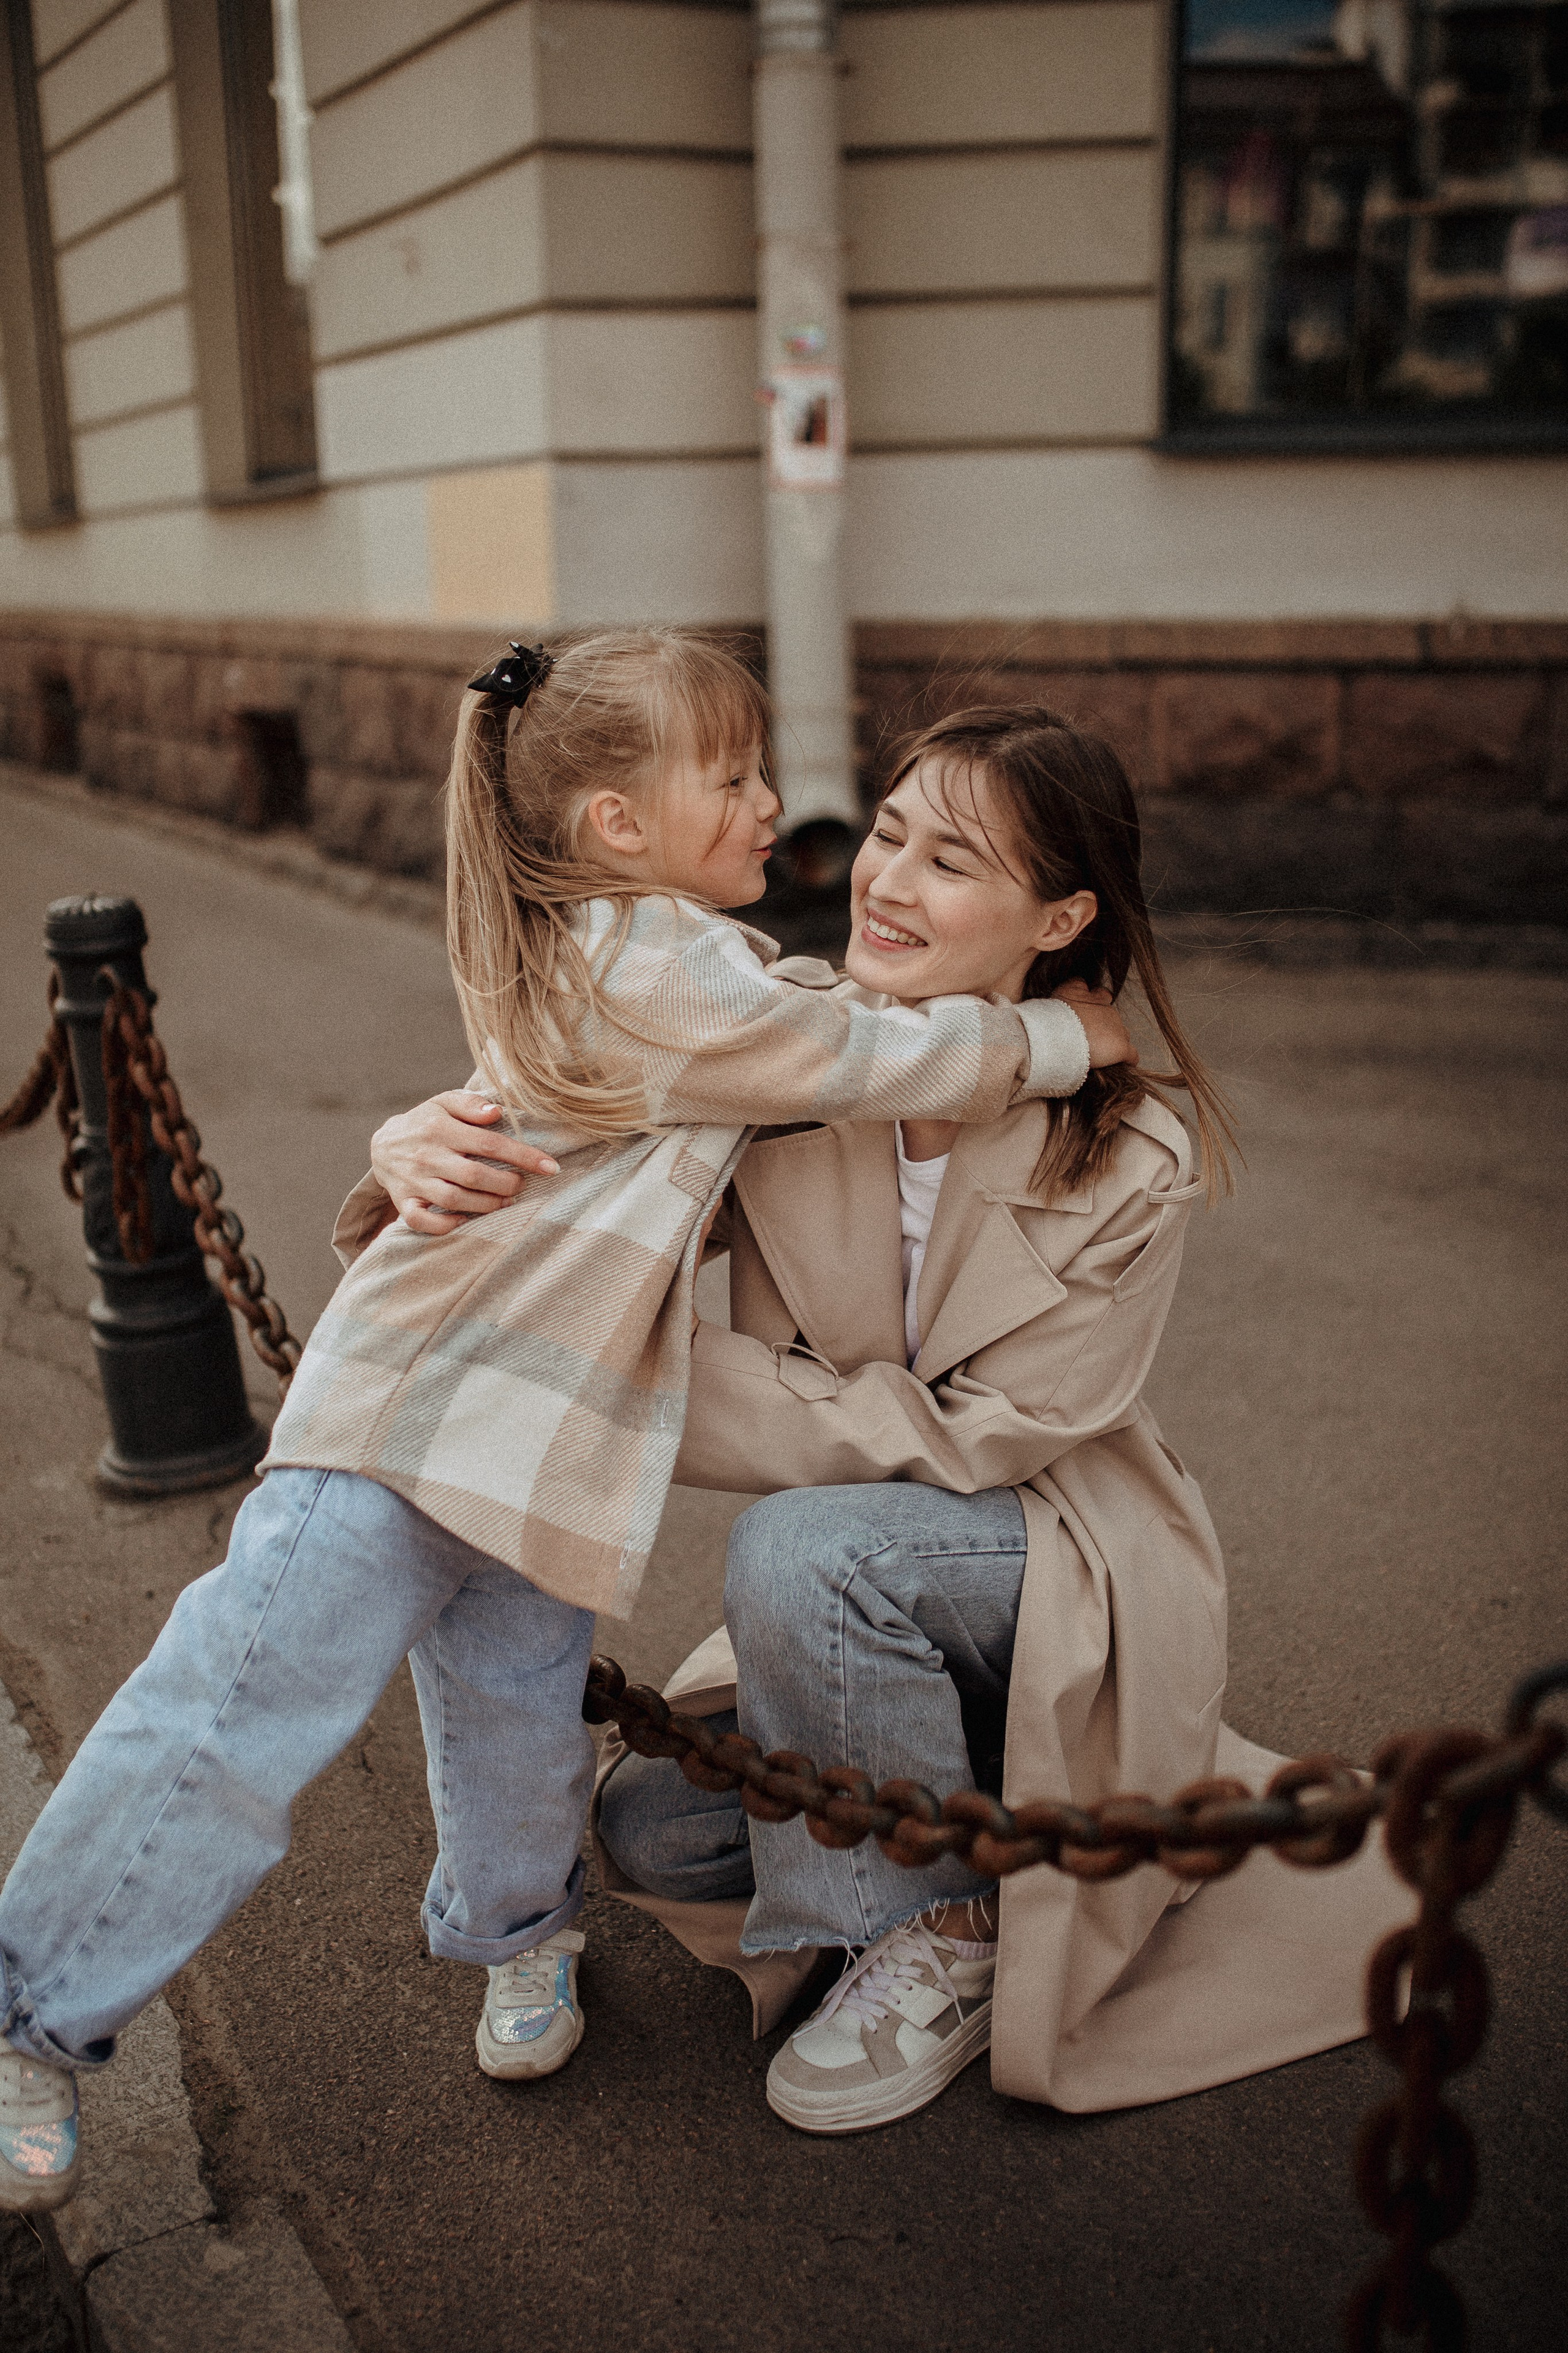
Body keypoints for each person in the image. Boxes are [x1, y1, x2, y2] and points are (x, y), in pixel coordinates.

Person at [0, 637, 1136, 2215]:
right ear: (617, 827)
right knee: (232, 1716)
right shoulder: (661, 963)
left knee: (516, 1720)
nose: (776, 806)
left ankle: (518, 1943)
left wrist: (413, 1128)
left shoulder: (661, 962)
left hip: (542, 1444)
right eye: (732, 779)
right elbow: (862, 1052)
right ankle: (31, 2013)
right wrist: (1068, 1039)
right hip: (414, 1423)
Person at [372, 704, 1414, 2140]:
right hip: (859, 1540)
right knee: (645, 1833)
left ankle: (925, 1939)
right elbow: (566, 1119)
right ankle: (963, 1828)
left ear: (1059, 915)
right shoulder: (791, 1047)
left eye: (951, 862)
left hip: (1052, 1549)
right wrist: (416, 1143)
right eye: (887, 832)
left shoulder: (1131, 1149)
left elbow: (994, 1437)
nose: (884, 880)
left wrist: (676, 1384)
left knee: (806, 1554)